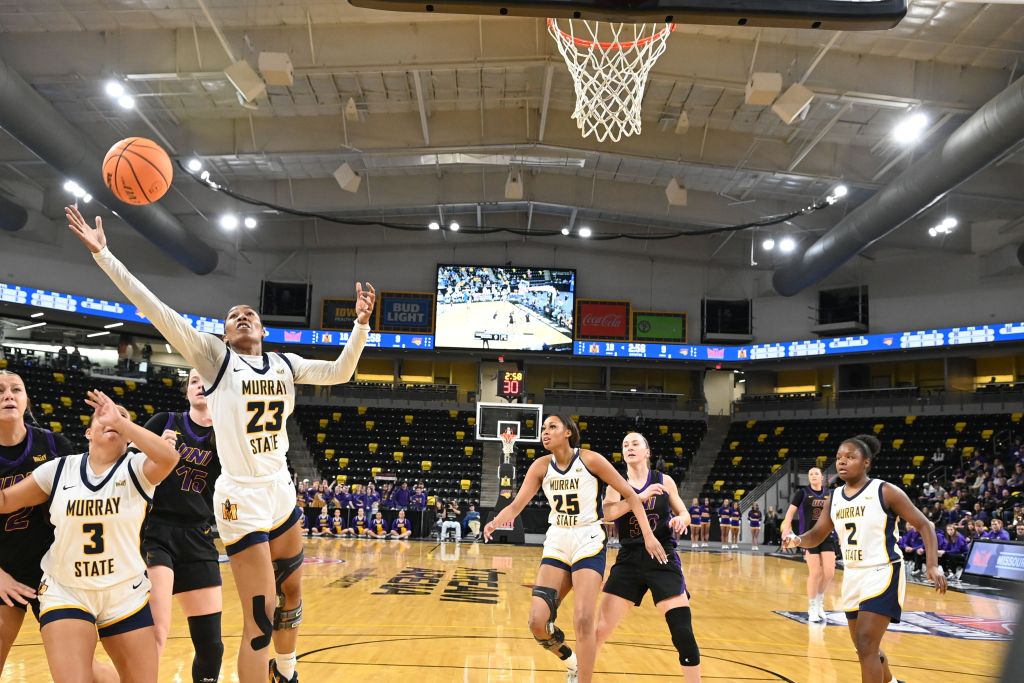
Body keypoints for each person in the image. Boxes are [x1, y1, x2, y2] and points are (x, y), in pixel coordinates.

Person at [67, 204, 376, 683]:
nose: (242, 316)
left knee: (292, 596)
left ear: (263, 329)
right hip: (240, 499)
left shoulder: (285, 364)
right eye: (233, 316)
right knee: (259, 616)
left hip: (280, 489)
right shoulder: (215, 360)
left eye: (249, 313)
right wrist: (106, 256)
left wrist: (359, 325)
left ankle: (287, 671)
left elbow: (340, 372)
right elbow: (156, 310)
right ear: (226, 334)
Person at [0, 390, 179, 682]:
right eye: (105, 416)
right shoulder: (58, 470)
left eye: (122, 417)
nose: (113, 419)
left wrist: (122, 423)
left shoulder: (137, 469)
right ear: (88, 432)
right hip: (67, 591)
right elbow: (6, 500)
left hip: (125, 592)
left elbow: (169, 457)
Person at [484, 415, 666, 683]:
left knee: (583, 620)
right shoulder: (540, 466)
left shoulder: (591, 460)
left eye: (552, 427)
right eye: (543, 428)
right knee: (537, 622)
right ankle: (571, 660)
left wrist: (648, 536)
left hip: (588, 539)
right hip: (557, 541)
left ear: (568, 432)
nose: (545, 432)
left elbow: (630, 495)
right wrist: (494, 522)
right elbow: (515, 506)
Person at [784, 434, 946, 683]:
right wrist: (797, 539)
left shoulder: (885, 490)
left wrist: (933, 565)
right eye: (839, 458)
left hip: (883, 571)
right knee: (864, 648)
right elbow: (817, 535)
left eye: (850, 457)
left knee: (865, 642)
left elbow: (925, 525)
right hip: (852, 574)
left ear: (866, 462)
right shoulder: (835, 497)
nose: (842, 462)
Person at [141, 369, 224, 683]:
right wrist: (156, 451)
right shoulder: (164, 421)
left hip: (199, 534)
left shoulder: (228, 435)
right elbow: (128, 466)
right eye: (193, 381)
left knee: (211, 646)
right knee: (158, 631)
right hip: (156, 531)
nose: (199, 385)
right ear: (186, 390)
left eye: (206, 381)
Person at [596, 433, 700, 682]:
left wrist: (680, 520)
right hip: (629, 559)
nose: (629, 448)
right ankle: (578, 673)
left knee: (682, 631)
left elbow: (685, 513)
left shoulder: (665, 481)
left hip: (663, 557)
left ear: (647, 451)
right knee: (598, 631)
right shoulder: (616, 484)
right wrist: (637, 498)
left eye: (635, 444)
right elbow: (607, 514)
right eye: (625, 445)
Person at [0, 371, 78, 674]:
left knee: (76, 667)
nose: (8, 395)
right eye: (1, 390)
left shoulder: (54, 444)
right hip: (5, 570)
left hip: (52, 571)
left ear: (25, 400)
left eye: (16, 389)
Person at [781, 467, 836, 623]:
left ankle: (819, 601)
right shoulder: (802, 493)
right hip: (809, 537)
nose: (813, 476)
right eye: (810, 474)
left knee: (830, 573)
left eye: (816, 474)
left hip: (826, 535)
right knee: (816, 572)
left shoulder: (829, 494)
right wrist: (786, 528)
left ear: (821, 478)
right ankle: (812, 606)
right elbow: (790, 513)